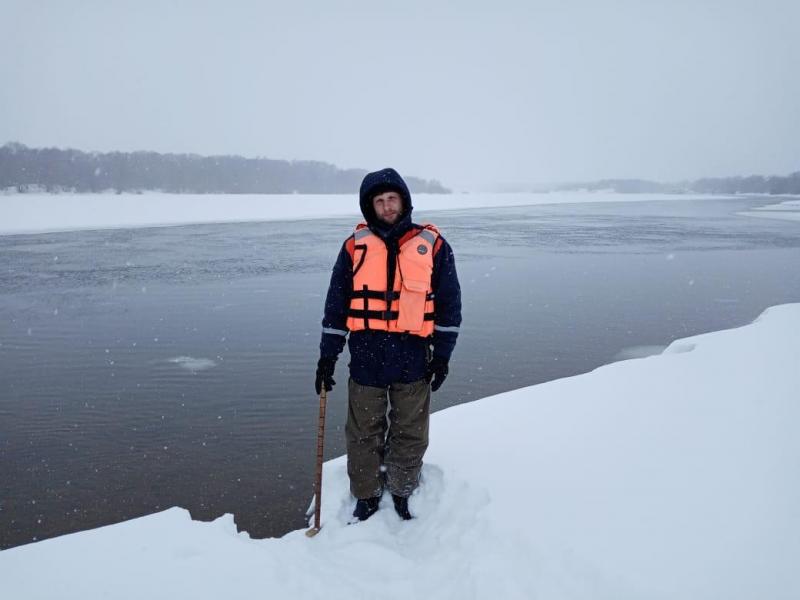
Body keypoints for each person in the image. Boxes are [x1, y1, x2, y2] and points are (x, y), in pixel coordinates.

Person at [314, 167, 462, 522]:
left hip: (413, 358)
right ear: (370, 207)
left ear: (404, 200)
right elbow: (336, 307)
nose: (387, 206)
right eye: (379, 201)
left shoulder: (434, 246)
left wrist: (441, 357)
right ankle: (365, 494)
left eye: (392, 198)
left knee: (410, 431)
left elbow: (449, 306)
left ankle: (401, 488)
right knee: (363, 431)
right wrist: (327, 357)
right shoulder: (353, 248)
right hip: (365, 358)